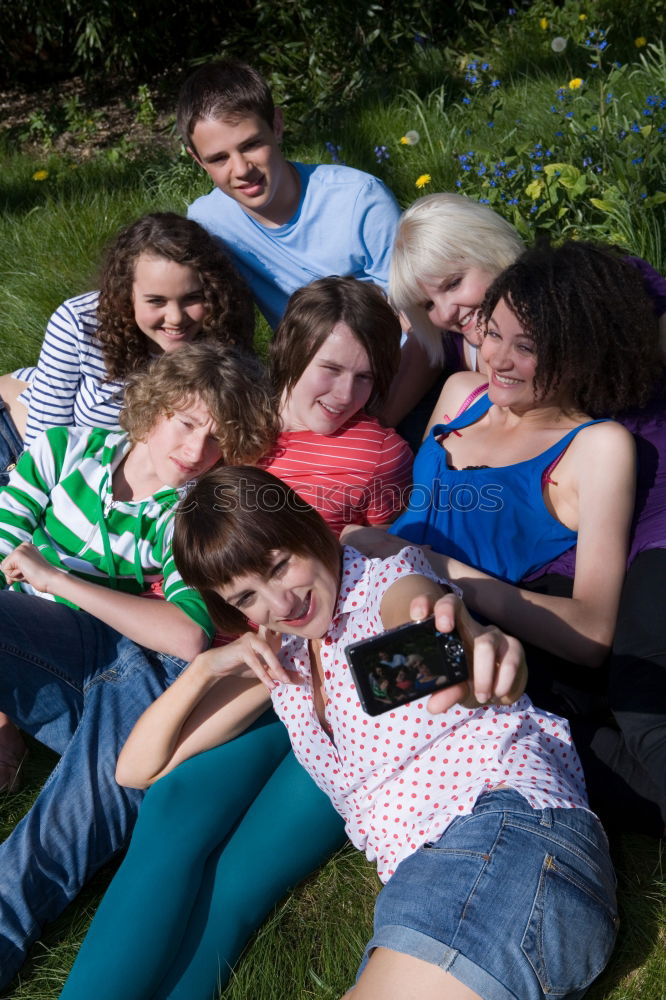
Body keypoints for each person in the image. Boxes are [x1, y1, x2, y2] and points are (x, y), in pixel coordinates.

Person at [99, 466, 617, 1000]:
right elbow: (137, 768)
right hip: (435, 885)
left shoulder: (381, 585)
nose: (281, 605)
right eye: (247, 598)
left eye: (280, 567)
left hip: (505, 837)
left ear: (306, 528)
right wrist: (207, 669)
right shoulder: (288, 660)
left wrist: (468, 645)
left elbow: (424, 623)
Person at [59, 275, 413, 1000]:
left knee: (237, 883)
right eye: (329, 370)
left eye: (364, 377)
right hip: (258, 660)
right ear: (290, 359)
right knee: (174, 809)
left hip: (341, 676)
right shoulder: (241, 429)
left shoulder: (377, 463)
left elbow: (401, 569)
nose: (344, 392)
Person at [349, 238, 666, 833]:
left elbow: (593, 633)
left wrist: (432, 564)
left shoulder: (596, 447)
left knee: (358, 700)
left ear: (580, 356)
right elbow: (419, 512)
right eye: (492, 334)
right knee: (261, 721)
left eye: (528, 348)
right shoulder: (459, 396)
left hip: (459, 641)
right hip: (372, 593)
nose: (499, 359)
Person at [0, 343, 276, 990]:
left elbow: (185, 635)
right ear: (150, 410)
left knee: (81, 806)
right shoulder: (62, 451)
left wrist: (55, 578)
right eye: (186, 422)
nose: (196, 449)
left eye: (216, 439)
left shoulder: (187, 514)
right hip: (50, 645)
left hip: (131, 668)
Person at [0, 211, 253, 478]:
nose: (176, 318)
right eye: (156, 301)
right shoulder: (80, 322)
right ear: (126, 295)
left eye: (192, 298)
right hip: (16, 443)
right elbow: (43, 446)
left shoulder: (223, 344)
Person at [180, 59, 401, 329]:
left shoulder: (360, 201)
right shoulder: (208, 223)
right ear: (198, 160)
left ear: (276, 125)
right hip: (303, 366)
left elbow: (414, 318)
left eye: (251, 144)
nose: (241, 169)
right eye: (218, 159)